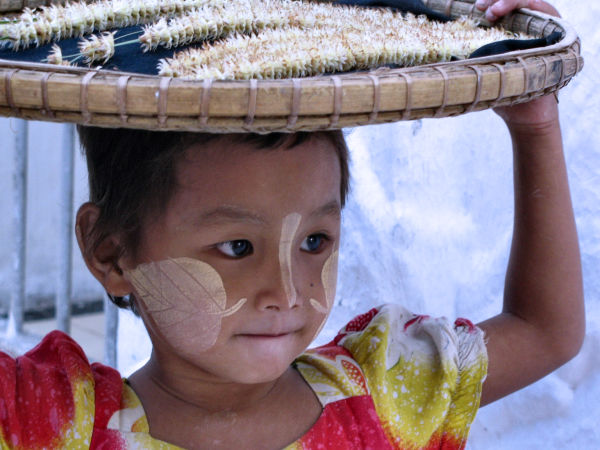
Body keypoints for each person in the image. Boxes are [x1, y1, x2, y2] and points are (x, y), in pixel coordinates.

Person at [0, 0, 584, 448]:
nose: (286, 292)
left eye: (314, 241)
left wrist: (534, 124)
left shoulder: (384, 397)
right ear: (110, 252)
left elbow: (544, 330)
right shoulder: (51, 424)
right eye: (236, 246)